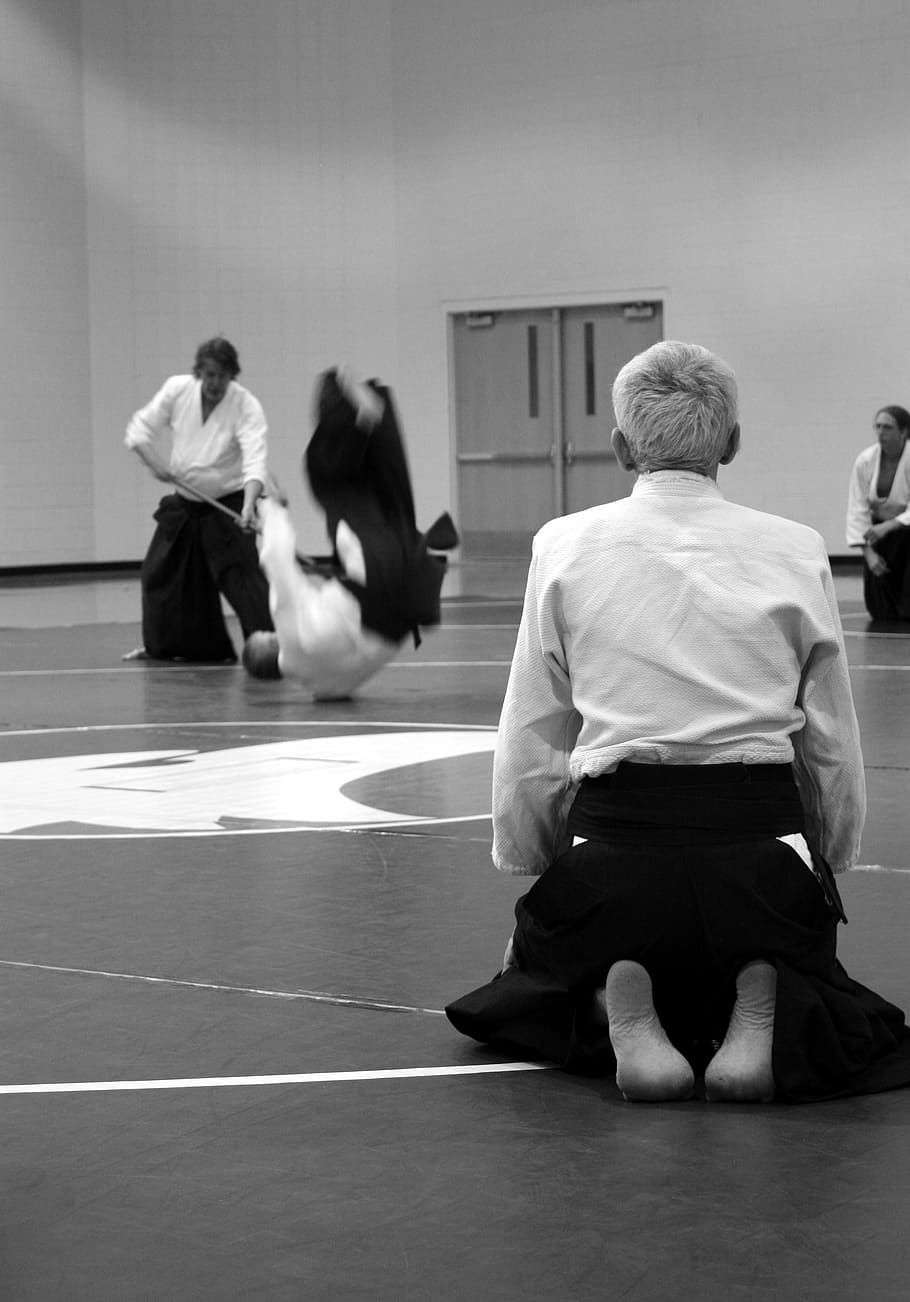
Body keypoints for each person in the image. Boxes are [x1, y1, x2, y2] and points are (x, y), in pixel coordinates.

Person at [446, 340, 910, 1104]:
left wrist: (538, 871)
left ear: (621, 446)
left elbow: (532, 731)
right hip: (759, 864)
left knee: (536, 969)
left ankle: (607, 1001)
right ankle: (763, 999)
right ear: (732, 442)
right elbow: (829, 739)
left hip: (616, 861)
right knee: (801, 961)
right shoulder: (797, 550)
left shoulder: (562, 546)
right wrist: (826, 860)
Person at [243, 366, 458, 699]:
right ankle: (354, 418)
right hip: (374, 592)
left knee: (389, 516)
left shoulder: (322, 687)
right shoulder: (290, 636)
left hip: (399, 618)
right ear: (270, 643)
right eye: (264, 635)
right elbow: (276, 560)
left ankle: (363, 425)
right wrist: (273, 509)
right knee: (338, 496)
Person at [124, 336, 274, 661]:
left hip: (230, 502)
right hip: (185, 503)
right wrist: (155, 463)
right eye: (209, 375)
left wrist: (249, 506)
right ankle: (169, 648)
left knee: (242, 579)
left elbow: (254, 462)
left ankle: (269, 649)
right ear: (198, 373)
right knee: (159, 573)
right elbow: (139, 430)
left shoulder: (246, 406)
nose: (214, 383)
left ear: (232, 375)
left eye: (221, 376)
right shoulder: (178, 390)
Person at [846, 405, 910, 621]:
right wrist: (868, 553)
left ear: (903, 432)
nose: (881, 432)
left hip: (906, 533)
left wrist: (890, 525)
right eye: (878, 427)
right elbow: (857, 508)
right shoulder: (866, 460)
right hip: (878, 534)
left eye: (888, 427)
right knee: (879, 610)